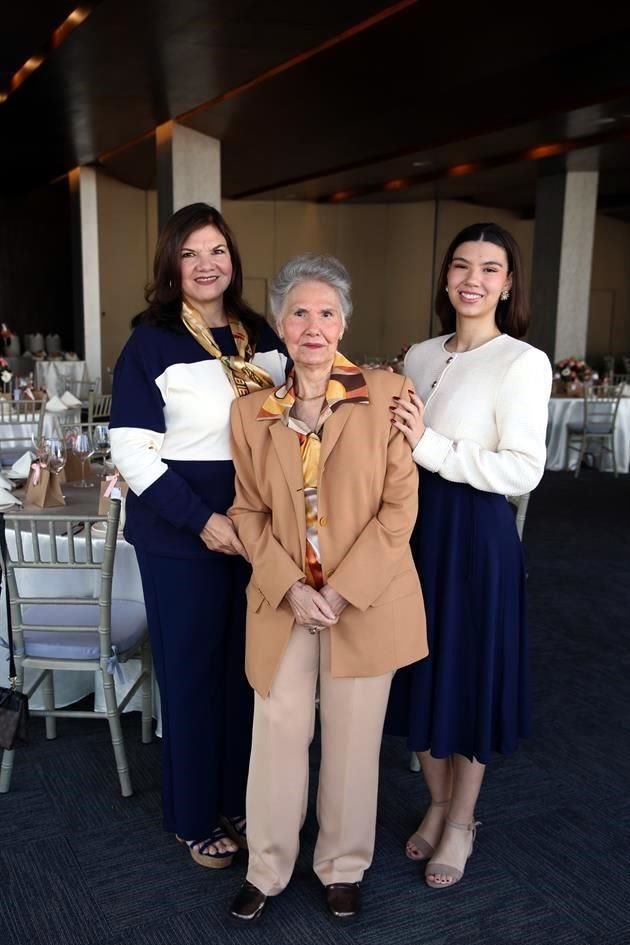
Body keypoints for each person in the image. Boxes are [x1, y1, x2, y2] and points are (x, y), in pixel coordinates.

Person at [226, 254, 427, 922]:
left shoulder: (388, 394)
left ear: (344, 321)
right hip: (285, 601)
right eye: (300, 313)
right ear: (280, 324)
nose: (314, 326)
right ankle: (267, 867)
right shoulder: (252, 410)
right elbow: (248, 512)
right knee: (277, 733)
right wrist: (287, 586)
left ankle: (343, 865)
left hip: (362, 598)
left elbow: (399, 509)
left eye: (328, 312)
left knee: (352, 737)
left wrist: (340, 591)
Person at [109, 202, 287, 868]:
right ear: (172, 265)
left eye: (216, 250)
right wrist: (202, 520)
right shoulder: (150, 340)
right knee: (189, 675)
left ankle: (236, 793)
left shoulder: (259, 333)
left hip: (255, 524)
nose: (206, 265)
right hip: (181, 530)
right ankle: (191, 815)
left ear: (232, 258)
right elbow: (131, 450)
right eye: (190, 253)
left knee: (246, 672)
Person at [389, 221, 552, 889]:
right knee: (420, 668)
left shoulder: (522, 361)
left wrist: (430, 446)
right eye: (461, 265)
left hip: (478, 535)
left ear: (508, 282)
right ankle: (434, 801)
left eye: (490, 268)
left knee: (472, 674)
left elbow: (523, 470)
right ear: (446, 276)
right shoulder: (421, 354)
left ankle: (462, 819)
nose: (473, 279)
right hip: (415, 529)